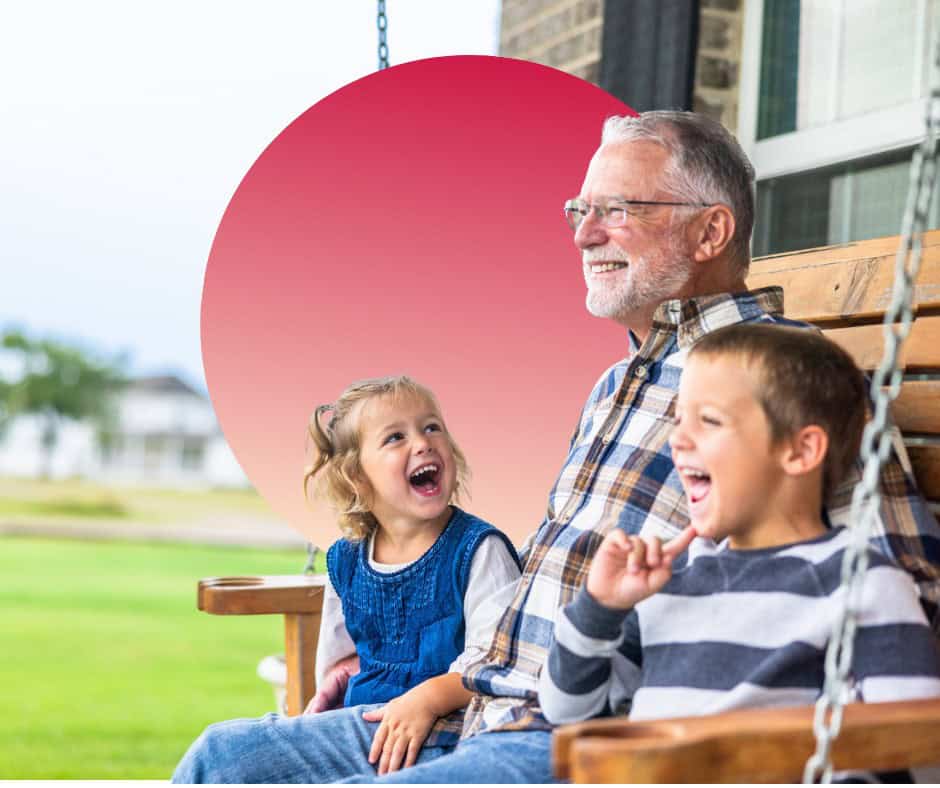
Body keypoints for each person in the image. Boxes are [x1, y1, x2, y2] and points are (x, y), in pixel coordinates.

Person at [173, 111, 940, 784]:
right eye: (580, 209)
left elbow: (905, 587)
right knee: (222, 759)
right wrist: (431, 680)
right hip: (472, 708)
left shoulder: (779, 380)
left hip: (586, 737)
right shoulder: (614, 384)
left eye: (617, 210)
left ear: (710, 231)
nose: (582, 233)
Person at [538, 324, 940, 785]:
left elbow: (918, 753)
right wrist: (601, 608)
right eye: (677, 420)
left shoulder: (861, 584)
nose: (678, 441)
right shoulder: (667, 583)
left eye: (708, 421)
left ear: (800, 450)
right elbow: (568, 714)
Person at [304, 376, 520, 774]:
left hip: (449, 734)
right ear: (357, 477)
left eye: (432, 427)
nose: (422, 442)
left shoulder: (478, 550)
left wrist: (429, 698)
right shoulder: (345, 561)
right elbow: (337, 662)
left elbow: (497, 663)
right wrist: (332, 691)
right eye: (395, 438)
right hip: (366, 732)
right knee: (222, 748)